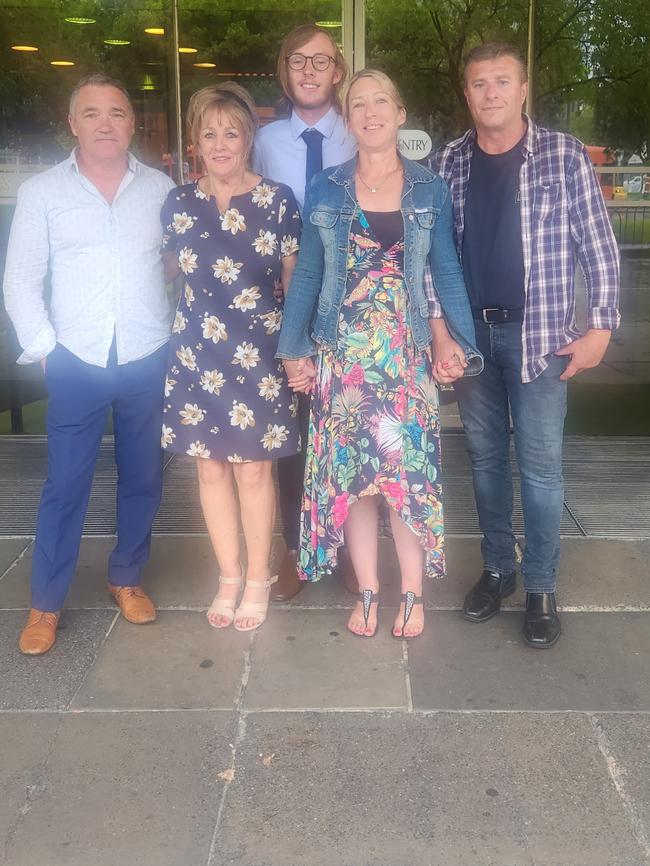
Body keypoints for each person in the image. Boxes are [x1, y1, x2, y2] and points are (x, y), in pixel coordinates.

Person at [277, 70, 482, 639]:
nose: (369, 112)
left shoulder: (427, 188)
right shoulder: (325, 187)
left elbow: (444, 269)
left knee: (405, 481)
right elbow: (310, 275)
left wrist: (458, 344)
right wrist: (293, 349)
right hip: (342, 360)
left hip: (404, 358)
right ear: (349, 118)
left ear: (399, 112)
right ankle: (369, 591)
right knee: (356, 484)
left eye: (380, 102)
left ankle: (412, 596)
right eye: (358, 104)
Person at [431, 43, 620, 648]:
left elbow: (599, 248)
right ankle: (498, 569)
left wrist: (601, 329)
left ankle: (540, 585)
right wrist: (440, 333)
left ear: (522, 88)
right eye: (479, 83)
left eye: (501, 81)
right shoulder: (448, 162)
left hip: (542, 340)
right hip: (472, 341)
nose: (490, 93)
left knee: (539, 470)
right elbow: (433, 260)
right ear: (467, 93)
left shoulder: (563, 156)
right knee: (484, 463)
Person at [3, 74, 175, 655]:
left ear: (134, 123)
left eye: (118, 113)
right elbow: (21, 280)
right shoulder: (42, 192)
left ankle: (126, 576)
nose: (106, 124)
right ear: (72, 123)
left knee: (144, 477)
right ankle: (45, 603)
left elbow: (177, 265)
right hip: (74, 355)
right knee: (65, 483)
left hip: (147, 352)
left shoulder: (160, 188)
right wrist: (46, 347)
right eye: (93, 113)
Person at [161, 83, 301, 632]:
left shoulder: (278, 200)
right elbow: (164, 273)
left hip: (260, 355)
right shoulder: (178, 202)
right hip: (196, 353)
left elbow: (295, 283)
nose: (220, 143)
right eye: (209, 133)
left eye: (231, 132)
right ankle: (228, 575)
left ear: (248, 140)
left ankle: (260, 578)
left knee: (254, 472)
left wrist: (298, 351)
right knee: (211, 469)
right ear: (195, 141)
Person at [253, 23, 357, 602]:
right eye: (299, 61)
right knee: (289, 437)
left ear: (337, 71)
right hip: (279, 310)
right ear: (285, 72)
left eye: (321, 60)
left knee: (342, 430)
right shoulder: (263, 143)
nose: (311, 70)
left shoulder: (361, 133)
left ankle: (341, 544)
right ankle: (294, 548)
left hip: (349, 313)